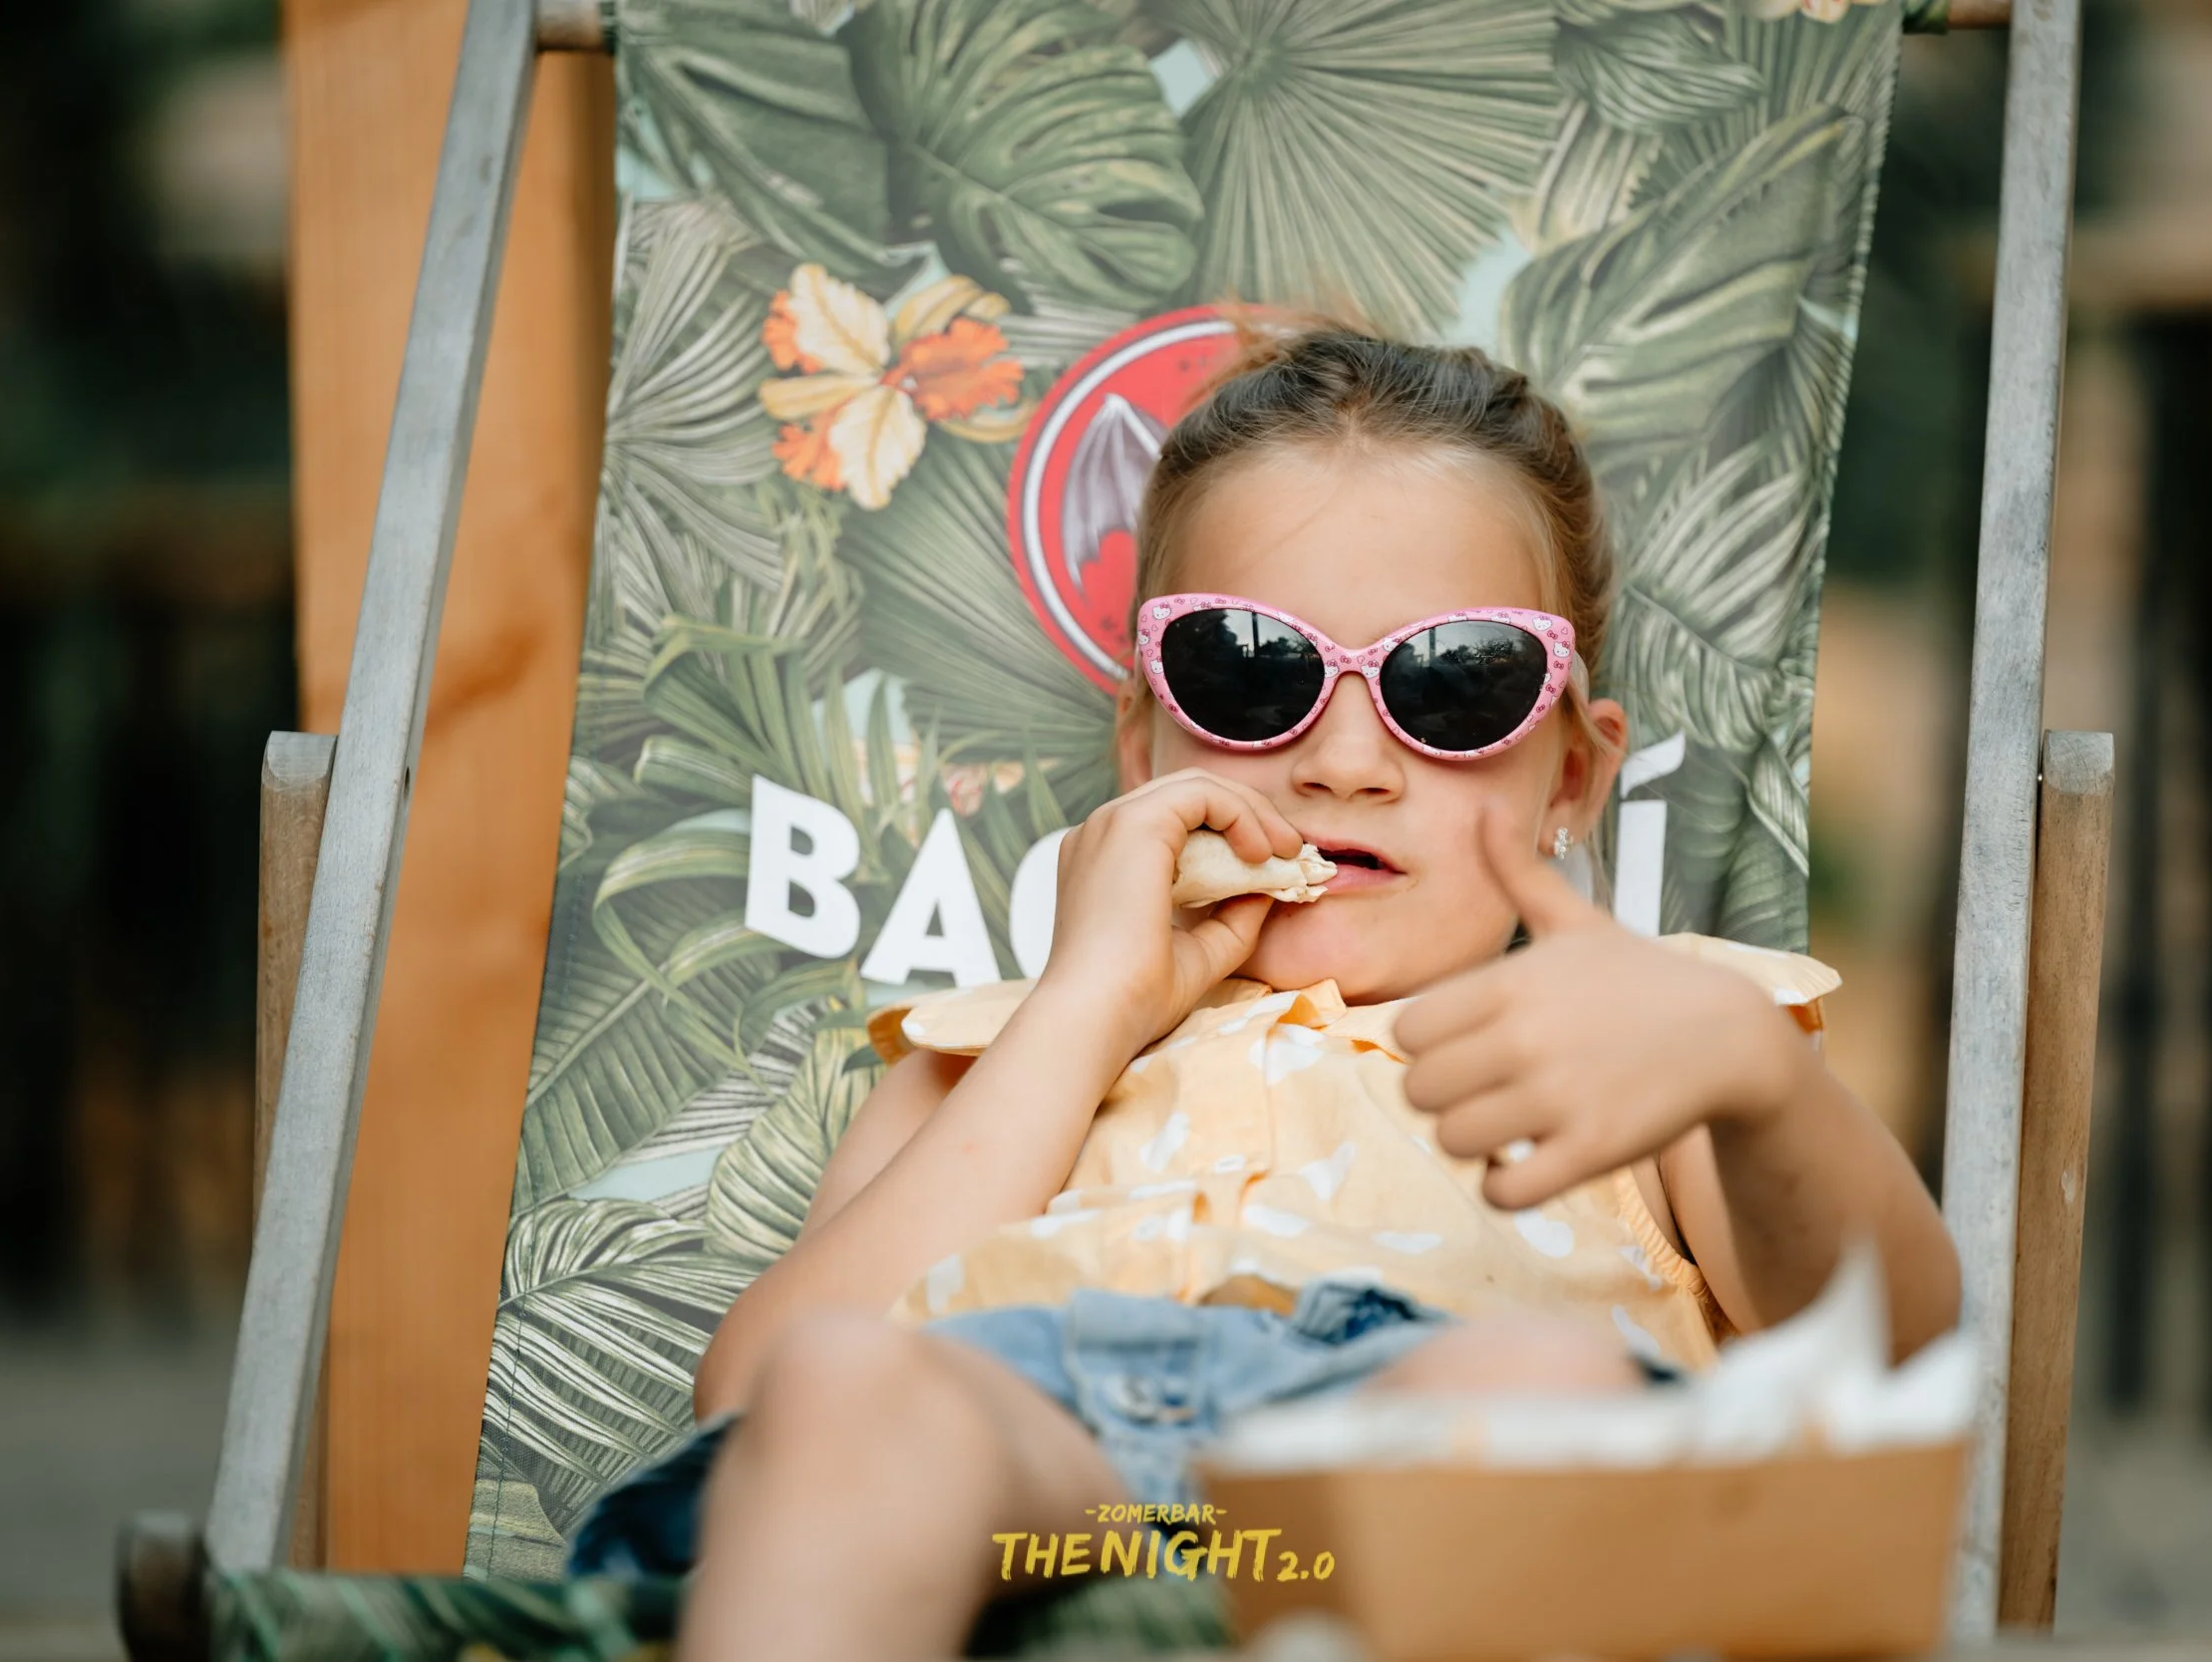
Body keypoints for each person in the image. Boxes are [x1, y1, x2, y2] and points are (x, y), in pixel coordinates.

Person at [570, 322, 1961, 1662]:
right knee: (850, 1394)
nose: (1346, 761)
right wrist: (1087, 1004)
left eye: (1458, 684)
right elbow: (757, 1391)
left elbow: (1882, 1344)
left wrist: (1757, 1083)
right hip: (1054, 1500)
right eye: (1251, 670)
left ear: (1572, 780)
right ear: (1146, 741)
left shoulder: (1646, 1036)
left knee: (1539, 1394)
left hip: (1416, 1468)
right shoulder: (994, 1049)